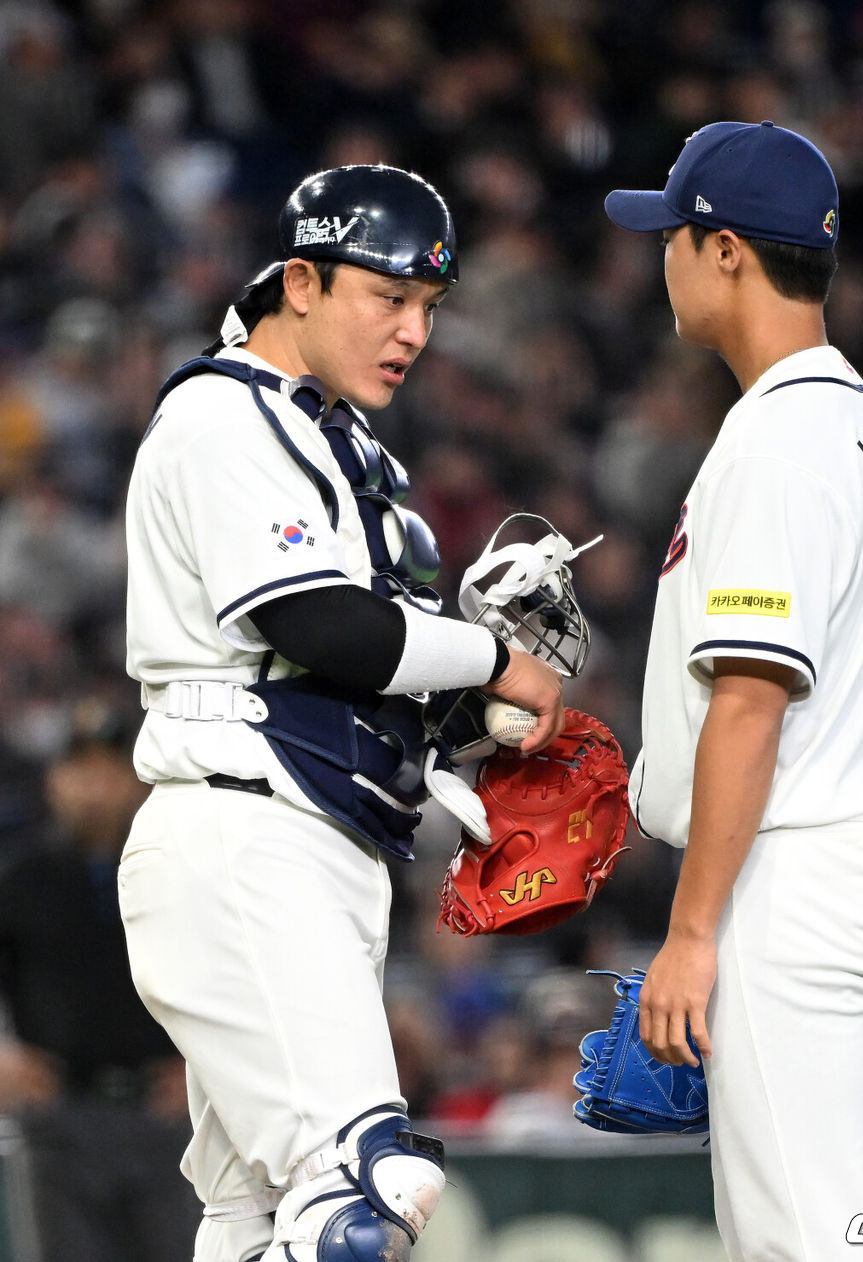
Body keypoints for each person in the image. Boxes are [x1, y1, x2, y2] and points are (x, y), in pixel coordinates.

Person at [118, 164, 564, 1262]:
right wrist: (497, 657)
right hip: (242, 831)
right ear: (303, 280)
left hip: (308, 837)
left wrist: (468, 712)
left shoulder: (333, 438)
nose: (413, 330)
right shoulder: (224, 412)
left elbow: (351, 669)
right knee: (361, 1199)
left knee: (256, 1225)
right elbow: (321, 626)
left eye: (428, 306)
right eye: (388, 296)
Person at [603, 121, 863, 1259]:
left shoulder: (775, 443)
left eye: (673, 233)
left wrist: (692, 930)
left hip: (794, 870)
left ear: (727, 252)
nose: (660, 255)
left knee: (804, 1243)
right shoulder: (847, 414)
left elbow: (752, 698)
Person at [0, 709, 198, 1262]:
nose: (92, 789)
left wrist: (204, 1069)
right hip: (59, 1118)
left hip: (165, 1116)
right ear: (52, 783)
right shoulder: (22, 879)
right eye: (77, 772)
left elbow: (223, 977)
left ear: (135, 780)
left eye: (107, 772)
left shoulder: (179, 870)